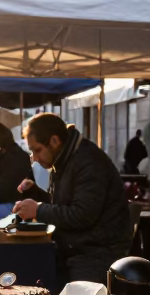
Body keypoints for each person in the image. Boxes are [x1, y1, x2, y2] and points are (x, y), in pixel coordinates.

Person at [12, 114, 130, 283]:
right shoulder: (64, 159)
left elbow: (82, 215)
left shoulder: (88, 162)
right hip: (74, 248)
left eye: (37, 150)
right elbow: (64, 203)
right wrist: (35, 195)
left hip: (97, 253)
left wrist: (38, 209)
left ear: (54, 141)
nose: (35, 158)